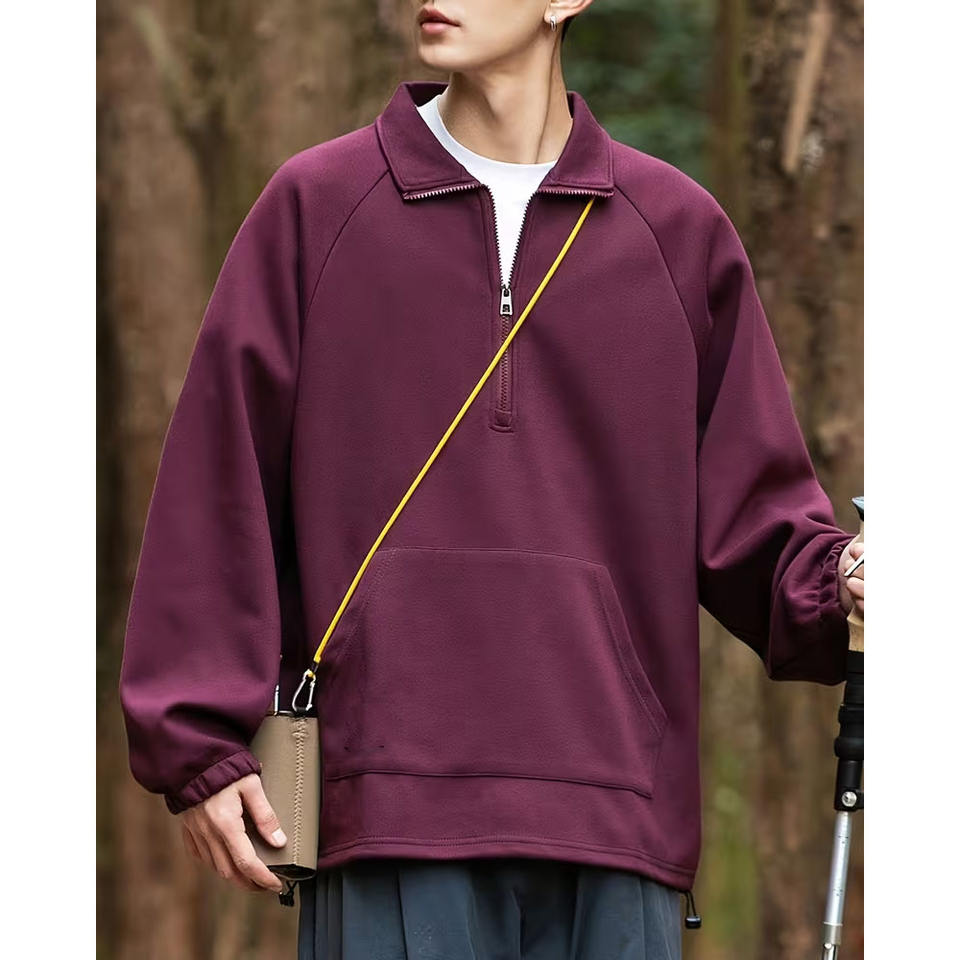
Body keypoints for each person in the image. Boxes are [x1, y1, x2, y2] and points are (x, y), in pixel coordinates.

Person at [117, 2, 865, 957]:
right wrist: (197, 740)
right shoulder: (315, 208)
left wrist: (840, 584)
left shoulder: (679, 232)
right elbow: (218, 488)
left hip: (616, 816)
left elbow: (758, 525)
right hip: (388, 805)